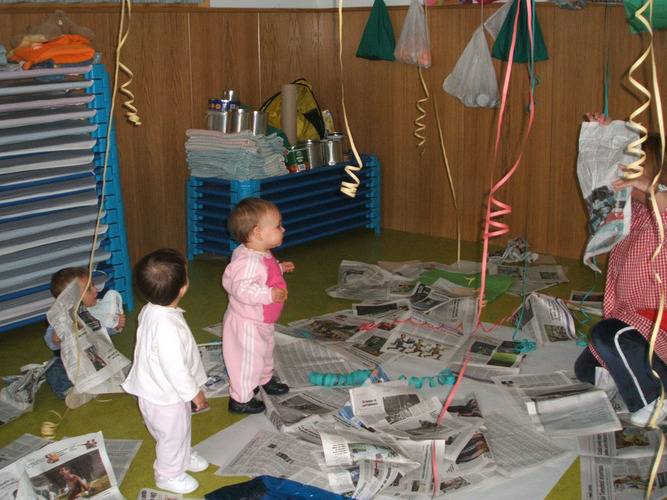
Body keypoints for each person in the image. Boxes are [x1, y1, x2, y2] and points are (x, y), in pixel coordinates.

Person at [574, 112, 667, 427]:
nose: (627, 177)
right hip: (631, 320)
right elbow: (605, 180)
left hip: (658, 327)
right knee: (587, 372)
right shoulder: (636, 211)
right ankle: (648, 379)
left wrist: (654, 191)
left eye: (637, 171)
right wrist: (607, 137)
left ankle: (655, 399)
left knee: (606, 336)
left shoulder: (661, 215)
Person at [121, 248, 209, 494]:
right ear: (182, 288)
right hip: (165, 396)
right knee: (171, 434)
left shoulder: (152, 309)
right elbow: (175, 368)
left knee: (179, 428)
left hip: (157, 390)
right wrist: (194, 393)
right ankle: (168, 474)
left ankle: (182, 456)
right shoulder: (167, 327)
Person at [222, 197, 295, 414]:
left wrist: (279, 269)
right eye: (278, 225)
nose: (283, 228)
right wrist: (268, 293)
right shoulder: (247, 261)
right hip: (248, 324)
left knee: (264, 353)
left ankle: (264, 380)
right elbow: (242, 288)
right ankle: (240, 399)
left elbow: (264, 273)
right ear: (258, 233)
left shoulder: (258, 252)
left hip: (262, 320)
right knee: (247, 361)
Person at [44, 268, 126, 407]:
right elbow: (51, 342)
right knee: (53, 369)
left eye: (93, 285)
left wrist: (115, 327)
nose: (95, 290)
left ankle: (104, 384)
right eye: (89, 289)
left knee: (119, 362)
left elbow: (104, 331)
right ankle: (71, 392)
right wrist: (55, 339)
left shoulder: (97, 309)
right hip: (73, 361)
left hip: (96, 357)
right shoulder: (60, 318)